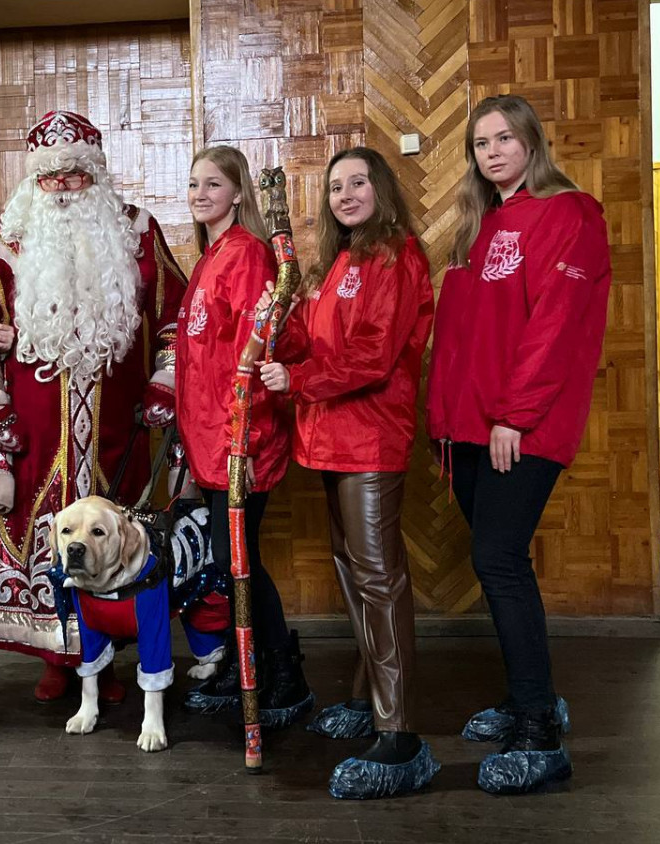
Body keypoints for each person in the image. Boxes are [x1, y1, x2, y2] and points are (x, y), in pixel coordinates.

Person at [0, 110, 187, 702]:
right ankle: (57, 660)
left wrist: (163, 382)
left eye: (76, 175)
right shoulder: (2, 241)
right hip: (32, 427)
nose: (62, 186)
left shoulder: (137, 233)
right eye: (51, 176)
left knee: (113, 535)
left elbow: (175, 321)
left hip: (119, 425)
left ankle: (105, 659)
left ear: (97, 177)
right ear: (34, 180)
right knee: (38, 529)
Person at [426, 94, 611, 794]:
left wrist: (515, 416)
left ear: (532, 142)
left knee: (496, 559)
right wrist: (442, 423)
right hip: (468, 429)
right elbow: (463, 344)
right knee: (504, 562)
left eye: (506, 137)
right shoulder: (481, 227)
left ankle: (538, 726)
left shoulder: (569, 213)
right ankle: (529, 695)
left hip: (517, 427)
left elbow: (555, 328)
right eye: (481, 143)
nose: (494, 151)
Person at [257, 147, 437, 798]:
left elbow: (374, 357)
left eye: (358, 182)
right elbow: (309, 339)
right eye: (335, 186)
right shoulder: (336, 264)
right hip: (328, 439)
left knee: (380, 580)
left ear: (380, 189)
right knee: (354, 574)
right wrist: (273, 333)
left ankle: (399, 733)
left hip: (371, 439)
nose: (346, 194)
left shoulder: (396, 256)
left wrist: (296, 378)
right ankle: (367, 700)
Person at [176, 145, 314, 728]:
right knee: (228, 560)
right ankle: (244, 658)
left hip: (239, 442)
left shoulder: (250, 257)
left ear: (238, 193)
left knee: (242, 561)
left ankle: (284, 673)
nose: (201, 194)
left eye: (213, 184)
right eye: (193, 185)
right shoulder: (209, 258)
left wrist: (246, 445)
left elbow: (254, 359)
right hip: (208, 441)